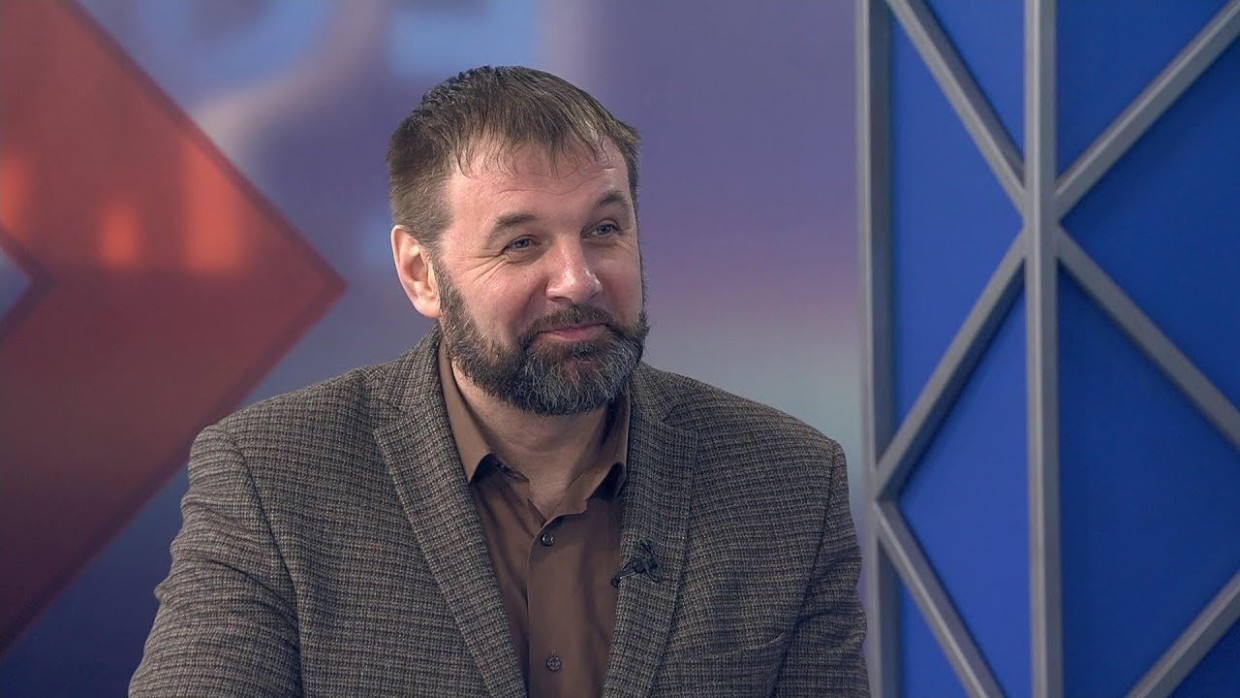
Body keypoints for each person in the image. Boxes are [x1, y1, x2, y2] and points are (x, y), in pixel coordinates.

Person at [131, 66, 867, 697]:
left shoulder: (789, 484)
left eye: (604, 230)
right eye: (521, 244)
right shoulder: (272, 476)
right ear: (421, 273)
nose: (578, 280)